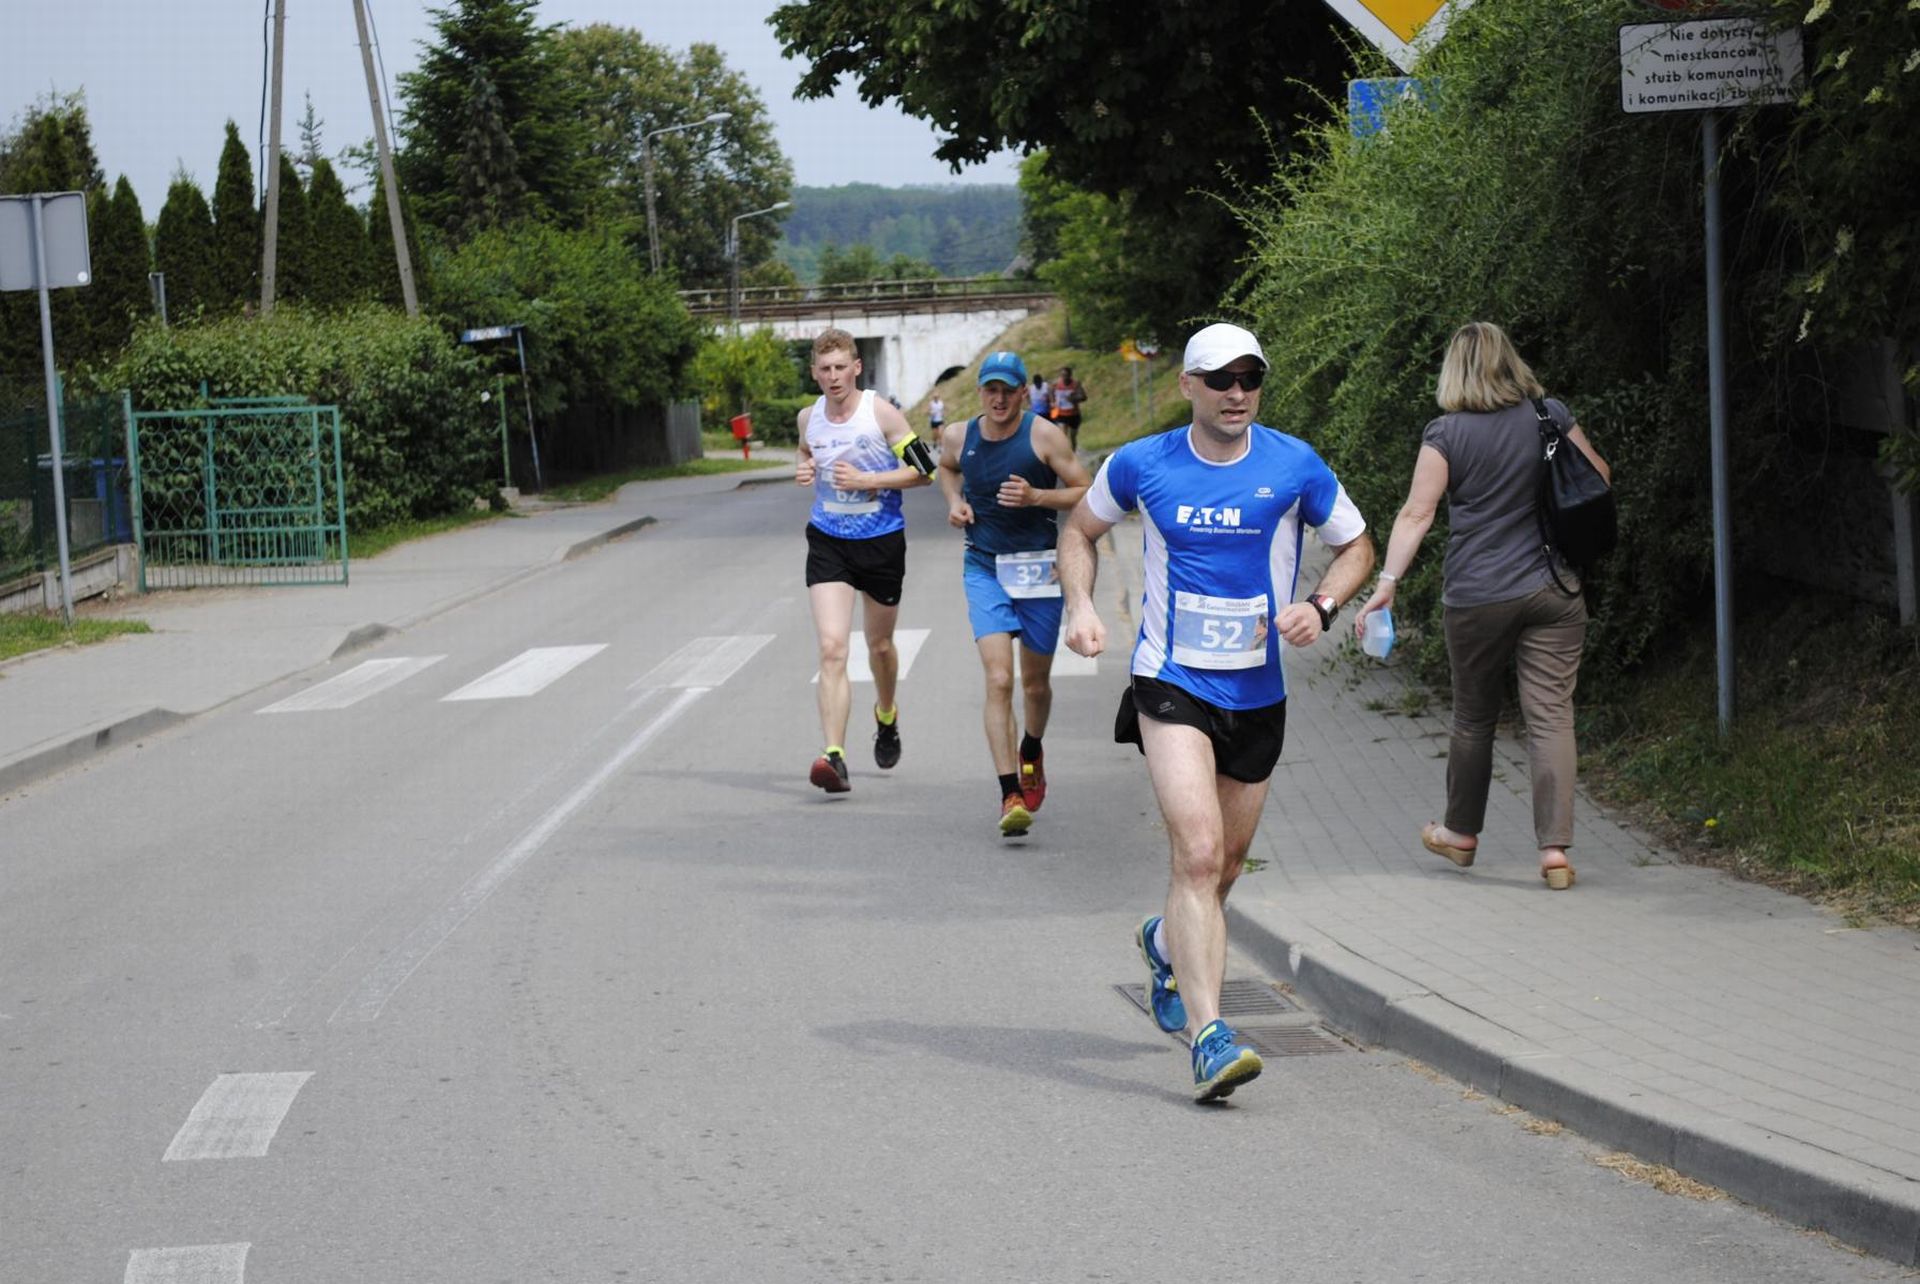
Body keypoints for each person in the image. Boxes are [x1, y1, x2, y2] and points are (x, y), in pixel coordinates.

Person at [1059, 322, 1375, 1102]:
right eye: (1221, 379)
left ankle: (1165, 942)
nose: (1237, 393)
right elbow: (1080, 532)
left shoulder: (1294, 464)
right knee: (1198, 856)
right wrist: (1081, 605)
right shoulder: (1142, 463)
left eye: (1250, 378)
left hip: (1258, 693)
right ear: (1188, 386)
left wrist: (1323, 605)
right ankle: (1210, 1038)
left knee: (1226, 868)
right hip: (1171, 682)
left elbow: (1358, 545)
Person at [1350, 321, 1611, 891]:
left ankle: (1461, 834)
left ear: (1454, 371)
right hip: (1553, 588)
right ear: (1509, 361)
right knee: (1552, 716)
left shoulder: (1446, 433)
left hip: (1477, 595)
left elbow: (1418, 513)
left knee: (1473, 717)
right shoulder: (1549, 415)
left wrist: (1387, 582)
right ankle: (1555, 853)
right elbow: (1598, 477)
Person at [938, 350, 1093, 837]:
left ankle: (1031, 748)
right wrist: (955, 501)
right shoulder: (958, 435)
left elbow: (1085, 490)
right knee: (999, 679)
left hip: (1039, 571)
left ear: (1024, 392)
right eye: (992, 390)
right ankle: (1010, 793)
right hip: (984, 567)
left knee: (1034, 686)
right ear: (980, 392)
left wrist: (1037, 497)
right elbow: (946, 468)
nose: (1000, 399)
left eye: (1009, 390)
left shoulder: (1045, 435)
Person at [795, 328, 937, 794]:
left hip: (880, 542)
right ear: (815, 373)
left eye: (841, 367)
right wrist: (804, 467)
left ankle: (886, 714)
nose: (834, 376)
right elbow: (806, 451)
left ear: (857, 367)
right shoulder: (808, 418)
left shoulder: (880, 413)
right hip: (828, 540)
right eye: (825, 369)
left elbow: (925, 471)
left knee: (878, 647)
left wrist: (869, 479)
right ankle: (833, 755)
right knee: (832, 648)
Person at [1049, 366, 1087, 451]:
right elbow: (1050, 390)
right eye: (1063, 375)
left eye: (1066, 375)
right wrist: (1052, 401)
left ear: (1070, 375)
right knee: (1063, 436)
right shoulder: (1056, 384)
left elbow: (1084, 397)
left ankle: (1073, 453)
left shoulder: (1076, 384)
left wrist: (1074, 398)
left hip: (1074, 414)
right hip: (1061, 414)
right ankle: (1064, 454)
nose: (1064, 377)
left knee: (1072, 437)